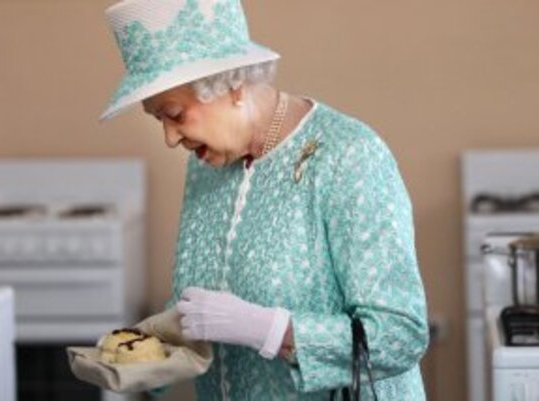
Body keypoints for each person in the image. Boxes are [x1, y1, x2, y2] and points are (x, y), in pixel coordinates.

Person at [101, 0, 429, 400]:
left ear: (233, 86)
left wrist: (270, 330)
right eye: (158, 120)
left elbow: (401, 335)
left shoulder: (349, 156)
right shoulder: (204, 167)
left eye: (175, 114)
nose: (170, 138)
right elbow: (197, 308)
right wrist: (143, 352)